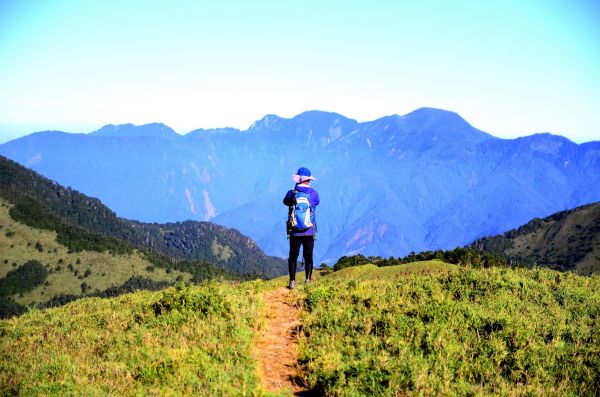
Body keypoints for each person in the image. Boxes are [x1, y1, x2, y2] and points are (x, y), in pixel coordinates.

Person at [283, 167, 320, 289]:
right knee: (308, 255)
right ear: (309, 180)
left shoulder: (292, 193)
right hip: (309, 230)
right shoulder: (313, 194)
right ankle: (308, 280)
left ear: (298, 179)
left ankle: (292, 281)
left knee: (293, 256)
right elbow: (317, 202)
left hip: (294, 231)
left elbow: (285, 202)